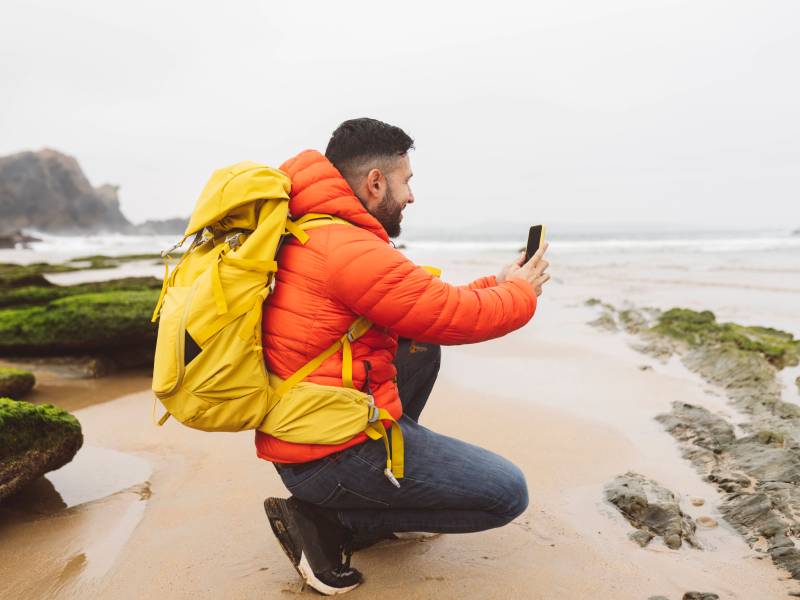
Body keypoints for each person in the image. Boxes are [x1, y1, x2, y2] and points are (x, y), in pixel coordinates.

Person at [259, 118, 550, 594]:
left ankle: (377, 491)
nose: (411, 195)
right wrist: (522, 295)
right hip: (324, 455)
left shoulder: (318, 229)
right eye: (406, 181)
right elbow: (455, 316)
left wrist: (498, 286)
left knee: (419, 344)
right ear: (376, 182)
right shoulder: (347, 248)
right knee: (506, 494)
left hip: (306, 429)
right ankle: (327, 518)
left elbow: (421, 302)